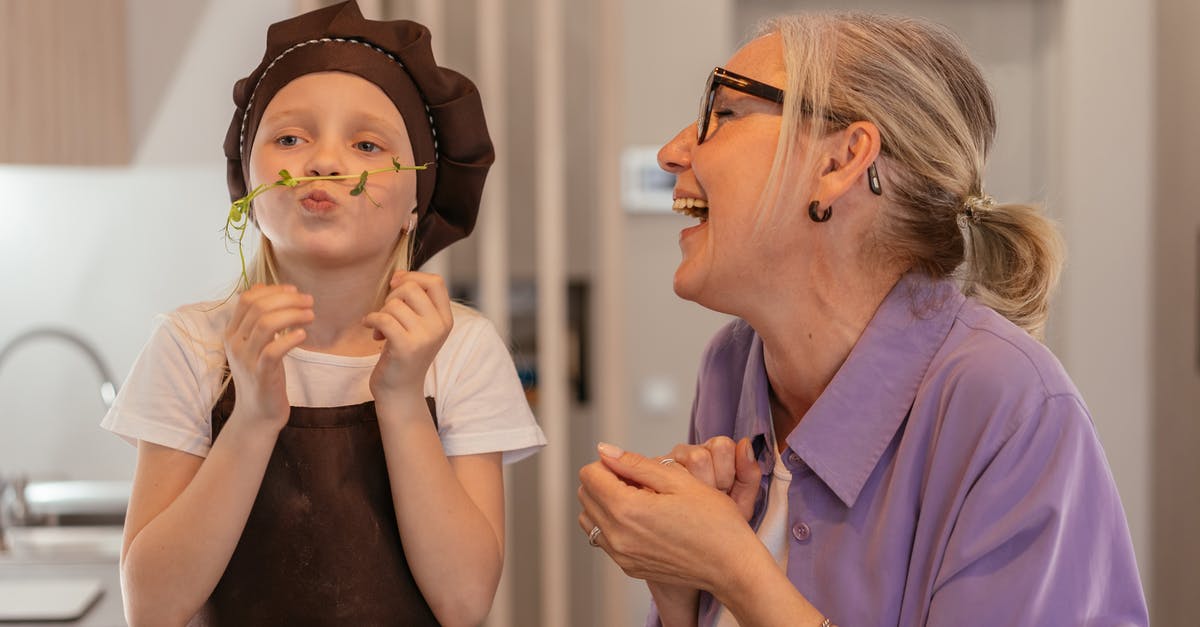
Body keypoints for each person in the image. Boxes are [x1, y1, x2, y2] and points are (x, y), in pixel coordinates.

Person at [577, 12, 1148, 627]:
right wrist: (677, 591)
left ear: (842, 160)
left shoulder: (1011, 404)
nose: (671, 153)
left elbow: (739, 577)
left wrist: (733, 569)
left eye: (727, 113)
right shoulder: (732, 364)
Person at [100, 2, 546, 625]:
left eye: (367, 143)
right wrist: (253, 417)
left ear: (417, 201)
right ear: (247, 190)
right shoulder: (192, 345)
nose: (325, 163)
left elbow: (464, 601)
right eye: (289, 138)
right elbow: (151, 607)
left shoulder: (461, 349)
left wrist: (401, 398)